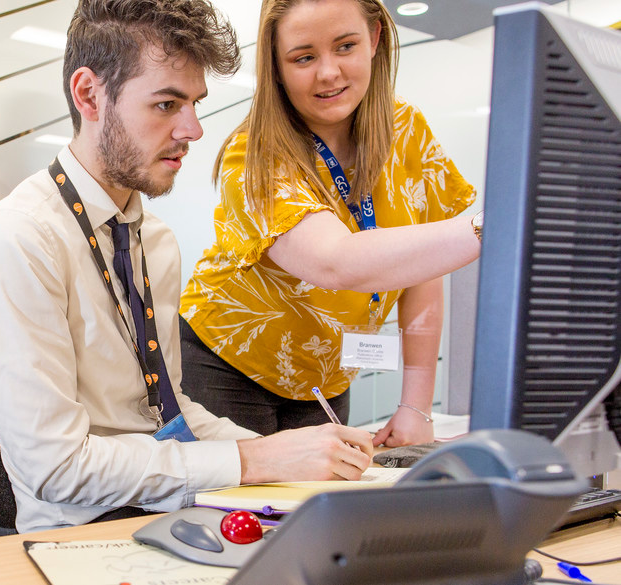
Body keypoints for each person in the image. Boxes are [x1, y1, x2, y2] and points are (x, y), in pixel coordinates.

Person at [0, 0, 373, 534]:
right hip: (85, 535)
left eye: (194, 103)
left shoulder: (155, 240)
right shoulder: (15, 242)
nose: (193, 129)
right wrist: (256, 462)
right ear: (89, 95)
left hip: (173, 512)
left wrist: (288, 452)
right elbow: (55, 470)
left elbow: (167, 412)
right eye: (167, 104)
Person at [179, 0, 482, 450]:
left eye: (345, 46)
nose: (329, 73)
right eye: (304, 57)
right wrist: (490, 227)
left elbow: (423, 267)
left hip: (327, 377)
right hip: (226, 366)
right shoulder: (254, 156)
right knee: (241, 513)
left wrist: (415, 406)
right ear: (276, 67)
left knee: (314, 509)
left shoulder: (408, 131)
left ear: (375, 38)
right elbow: (337, 262)